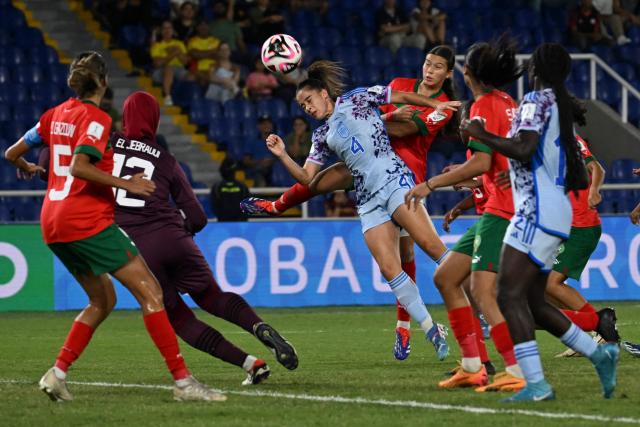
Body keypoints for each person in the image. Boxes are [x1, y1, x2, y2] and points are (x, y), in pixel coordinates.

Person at [3, 51, 224, 402]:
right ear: (104, 82)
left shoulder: (53, 115)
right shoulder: (96, 119)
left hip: (52, 222)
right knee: (151, 293)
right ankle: (184, 383)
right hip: (85, 219)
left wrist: (29, 167)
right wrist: (128, 185)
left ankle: (57, 374)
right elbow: (79, 166)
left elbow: (11, 153)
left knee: (102, 299)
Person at [242, 46, 459, 360]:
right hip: (368, 196)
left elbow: (400, 97)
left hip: (394, 177)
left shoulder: (358, 97)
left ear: (324, 93)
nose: (307, 108)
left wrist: (435, 103)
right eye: (302, 106)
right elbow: (307, 178)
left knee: (431, 247)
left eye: (309, 100)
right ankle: (431, 329)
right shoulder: (321, 136)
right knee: (389, 268)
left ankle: (479, 302)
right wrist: (282, 154)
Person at [459, 43, 619, 402]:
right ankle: (600, 354)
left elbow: (524, 147)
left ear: (535, 68)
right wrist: (514, 174)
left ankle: (536, 383)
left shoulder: (534, 100)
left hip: (536, 213)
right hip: (554, 210)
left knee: (507, 294)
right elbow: (539, 157)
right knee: (534, 303)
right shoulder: (559, 105)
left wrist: (480, 134)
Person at [111, 91, 297, 385]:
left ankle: (250, 363)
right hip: (176, 238)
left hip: (139, 251)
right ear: (155, 120)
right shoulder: (167, 160)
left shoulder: (106, 148)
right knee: (214, 297)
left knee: (181, 319)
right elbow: (197, 217)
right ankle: (259, 327)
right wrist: (179, 235)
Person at [405, 35, 526, 392]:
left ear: (466, 72)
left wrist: (432, 184)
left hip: (501, 210)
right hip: (502, 205)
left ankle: (515, 370)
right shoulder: (507, 102)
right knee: (446, 277)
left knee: (484, 292)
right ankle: (473, 365)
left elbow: (483, 160)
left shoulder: (482, 105)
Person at [151, 21, 190, 106]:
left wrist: (177, 52)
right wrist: (174, 53)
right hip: (161, 71)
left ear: (173, 30)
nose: (167, 30)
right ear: (161, 31)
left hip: (179, 68)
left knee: (193, 76)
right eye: (164, 28)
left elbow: (185, 62)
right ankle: (167, 96)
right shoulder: (157, 45)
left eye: (169, 28)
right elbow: (157, 64)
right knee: (168, 69)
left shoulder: (179, 43)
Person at [211, 157, 250, 221]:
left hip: (227, 223)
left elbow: (214, 207)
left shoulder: (216, 187)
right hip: (237, 223)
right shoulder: (242, 186)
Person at [187, 20, 221, 86]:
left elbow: (219, 55)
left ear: (209, 27)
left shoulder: (216, 40)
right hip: (197, 70)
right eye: (201, 25)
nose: (203, 27)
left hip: (213, 69)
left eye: (206, 25)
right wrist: (212, 52)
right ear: (197, 28)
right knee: (191, 77)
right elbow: (195, 55)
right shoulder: (192, 41)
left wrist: (201, 54)